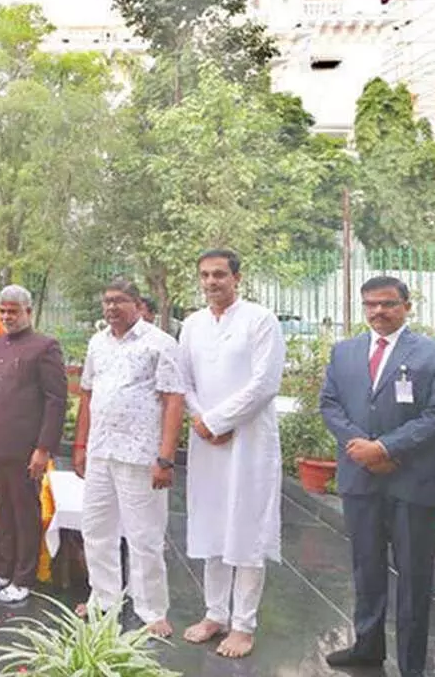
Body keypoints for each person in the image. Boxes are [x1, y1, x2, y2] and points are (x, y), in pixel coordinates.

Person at [320, 276, 435, 677]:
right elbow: (330, 404)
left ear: (406, 306)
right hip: (360, 479)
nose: (378, 312)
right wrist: (362, 447)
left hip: (413, 482)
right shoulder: (344, 352)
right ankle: (367, 647)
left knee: (414, 578)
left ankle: (412, 664)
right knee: (366, 567)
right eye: (370, 305)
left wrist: (386, 448)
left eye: (387, 304)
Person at [179, 249, 284, 659]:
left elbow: (265, 383)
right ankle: (215, 614)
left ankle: (243, 624)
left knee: (247, 526)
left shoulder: (260, 320)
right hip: (207, 441)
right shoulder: (192, 324)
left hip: (249, 441)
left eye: (219, 274)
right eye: (204, 275)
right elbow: (182, 379)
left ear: (237, 278)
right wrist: (202, 420)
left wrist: (219, 421)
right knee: (210, 524)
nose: (210, 282)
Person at [73, 279, 183, 637]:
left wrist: (166, 459)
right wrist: (80, 445)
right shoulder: (97, 343)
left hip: (140, 456)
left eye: (119, 301)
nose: (111, 308)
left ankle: (152, 609)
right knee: (96, 531)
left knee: (145, 536)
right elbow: (87, 395)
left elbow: (173, 401)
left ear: (138, 305)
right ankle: (103, 599)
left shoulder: (160, 344)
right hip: (101, 452)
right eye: (107, 301)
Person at [0, 285, 66, 604]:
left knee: (25, 511)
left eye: (13, 311)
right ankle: (1, 570)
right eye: (3, 310)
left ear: (28, 312)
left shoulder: (45, 347)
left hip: (27, 449)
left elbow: (56, 401)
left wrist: (43, 449)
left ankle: (23, 577)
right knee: (3, 510)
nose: (7, 317)